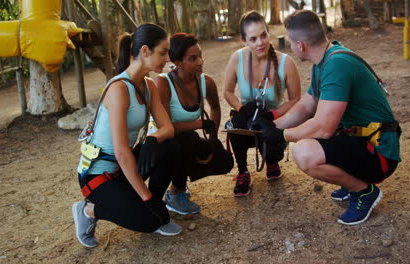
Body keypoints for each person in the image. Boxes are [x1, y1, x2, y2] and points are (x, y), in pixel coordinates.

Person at [264, 10, 401, 225]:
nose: (290, 47)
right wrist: (272, 125)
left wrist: (282, 136)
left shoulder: (336, 65)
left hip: (381, 153)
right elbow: (306, 107)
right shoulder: (325, 60)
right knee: (308, 141)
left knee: (304, 151)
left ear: (300, 45)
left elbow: (324, 128)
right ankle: (352, 182)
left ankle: (364, 192)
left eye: (291, 42)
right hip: (362, 141)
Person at [72, 23, 182, 248]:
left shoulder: (149, 85)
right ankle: (88, 209)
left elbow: (167, 128)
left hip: (123, 167)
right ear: (144, 51)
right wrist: (148, 200)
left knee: (169, 147)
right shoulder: (119, 89)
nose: (167, 58)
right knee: (150, 221)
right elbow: (121, 152)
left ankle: (150, 205)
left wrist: (152, 139)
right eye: (162, 52)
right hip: (98, 175)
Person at [222, 10, 301, 197]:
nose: (260, 43)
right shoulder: (237, 59)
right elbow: (226, 92)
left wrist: (274, 114)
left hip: (273, 121)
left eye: (263, 35)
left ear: (268, 33)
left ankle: (272, 160)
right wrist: (242, 108)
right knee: (235, 126)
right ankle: (243, 172)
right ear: (244, 41)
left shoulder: (285, 62)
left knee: (269, 135)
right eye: (253, 39)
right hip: (247, 118)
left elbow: (296, 99)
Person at [154, 33, 234, 215]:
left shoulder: (206, 82)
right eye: (193, 58)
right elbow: (166, 128)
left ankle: (181, 174)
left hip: (187, 142)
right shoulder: (162, 83)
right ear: (177, 62)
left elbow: (215, 107)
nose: (200, 62)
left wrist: (212, 134)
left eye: (200, 55)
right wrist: (199, 123)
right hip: (161, 143)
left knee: (224, 161)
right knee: (187, 140)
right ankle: (175, 192)